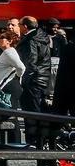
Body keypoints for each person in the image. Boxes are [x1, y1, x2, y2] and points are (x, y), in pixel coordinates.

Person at [17, 16, 53, 144]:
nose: (19, 27)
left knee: (32, 112)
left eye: (20, 24)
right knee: (39, 110)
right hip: (43, 79)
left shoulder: (30, 39)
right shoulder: (42, 36)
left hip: (33, 80)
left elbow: (31, 61)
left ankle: (33, 141)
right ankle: (42, 140)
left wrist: (24, 80)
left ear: (25, 26)